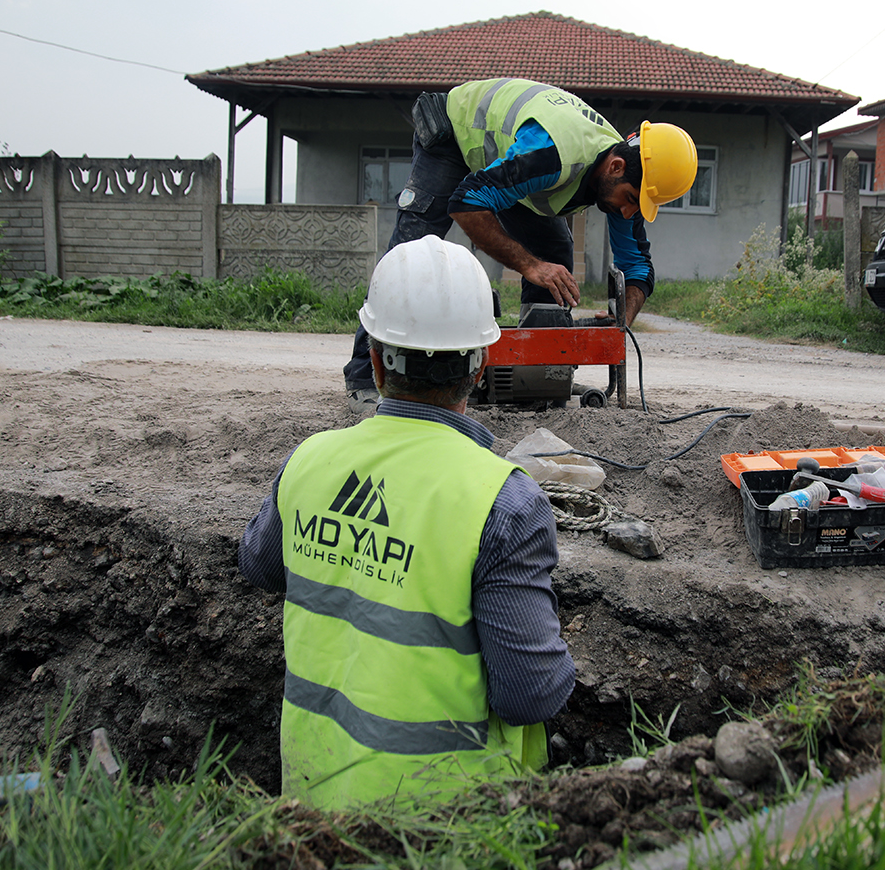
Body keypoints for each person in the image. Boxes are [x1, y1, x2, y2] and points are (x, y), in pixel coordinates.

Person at [239, 235, 575, 809]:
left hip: (311, 809)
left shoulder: (309, 460)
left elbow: (261, 566)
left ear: (373, 357)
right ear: (480, 366)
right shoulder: (504, 502)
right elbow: (529, 695)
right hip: (443, 827)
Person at [342, 78, 698, 413]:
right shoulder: (552, 155)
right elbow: (467, 203)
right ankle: (363, 377)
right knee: (409, 254)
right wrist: (530, 266)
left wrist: (623, 318)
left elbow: (636, 267)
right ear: (616, 166)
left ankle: (538, 375)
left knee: (554, 253)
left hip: (508, 165)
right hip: (453, 133)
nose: (627, 211)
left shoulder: (624, 178)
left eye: (638, 206)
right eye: (630, 198)